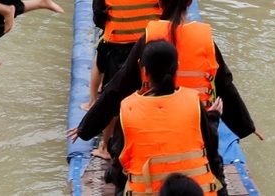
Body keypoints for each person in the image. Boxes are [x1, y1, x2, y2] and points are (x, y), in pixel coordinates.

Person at [70, 0, 264, 167]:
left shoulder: (149, 39)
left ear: (159, 3)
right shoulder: (205, 41)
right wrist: (246, 126)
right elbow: (225, 86)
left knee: (121, 137)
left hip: (154, 125)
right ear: (189, 2)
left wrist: (86, 127)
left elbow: (119, 87)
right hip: (196, 126)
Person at [88, 40, 222, 195]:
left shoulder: (128, 108)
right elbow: (212, 147)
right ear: (177, 66)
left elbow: (120, 163)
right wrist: (213, 117)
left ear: (144, 71)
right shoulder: (193, 101)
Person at [80, 0, 193, 113]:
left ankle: (93, 101)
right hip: (148, 35)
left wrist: (105, 25)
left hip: (117, 38)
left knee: (103, 68)